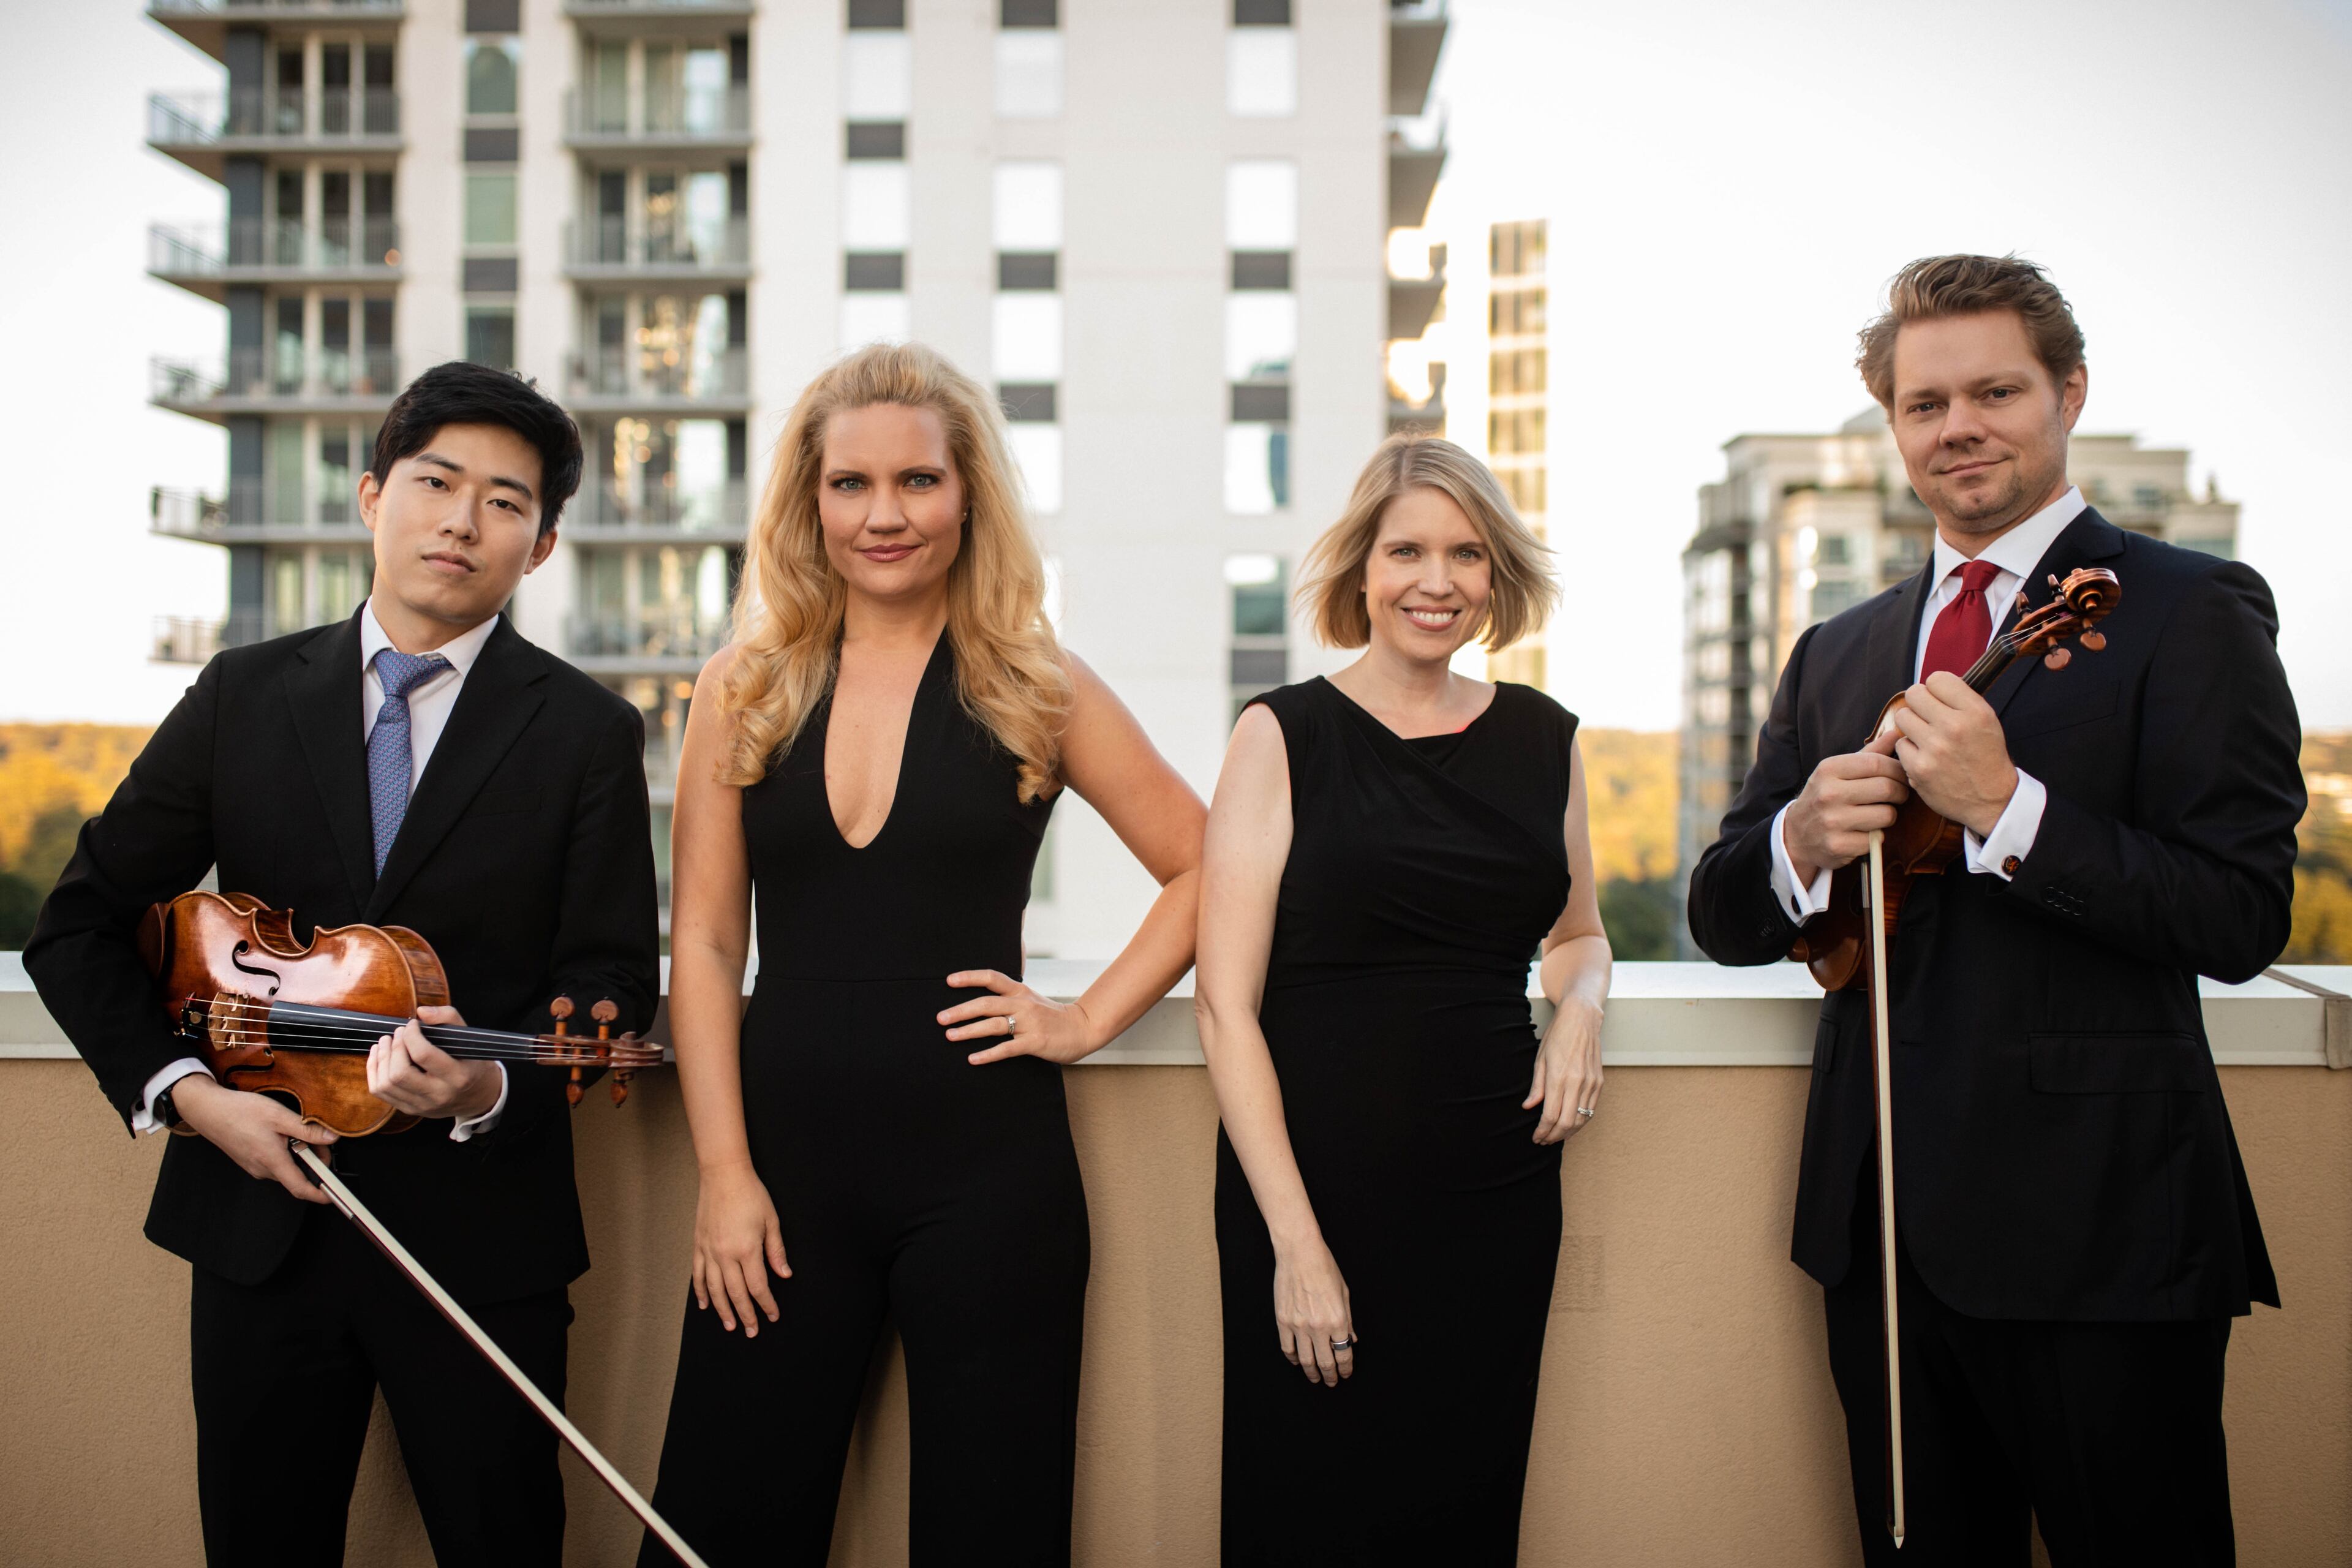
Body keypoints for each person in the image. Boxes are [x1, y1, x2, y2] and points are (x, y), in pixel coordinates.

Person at [1687, 255, 2299, 1566]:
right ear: (1895, 424)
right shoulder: (1839, 648)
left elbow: (2242, 913)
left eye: (1995, 390)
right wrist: (1799, 837)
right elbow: (1727, 910)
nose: (1956, 425)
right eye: (1923, 403)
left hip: (2106, 1226)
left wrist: (2007, 807)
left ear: (2067, 393)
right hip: (1883, 1224)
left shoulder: (2191, 611)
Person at [25, 361, 660, 1566]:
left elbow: (614, 982)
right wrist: (197, 1101)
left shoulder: (586, 731)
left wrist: (484, 1088)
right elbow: (79, 922)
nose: (465, 519)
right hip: (262, 1218)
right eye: (437, 481)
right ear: (374, 495)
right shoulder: (242, 694)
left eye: (509, 501)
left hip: (485, 1240)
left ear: (544, 545)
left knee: (506, 1541)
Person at [636, 342, 1204, 1567]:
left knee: (992, 1534)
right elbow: (703, 936)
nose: (884, 515)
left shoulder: (1035, 682)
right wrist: (725, 1174)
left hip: (989, 1179)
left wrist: (1086, 1016)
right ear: (810, 499)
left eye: (917, 482)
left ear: (968, 496)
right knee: (722, 1525)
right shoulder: (745, 686)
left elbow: (1208, 864)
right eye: (851, 485)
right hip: (776, 1182)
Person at [1194, 434, 1612, 1565]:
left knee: (1462, 1518)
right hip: (1314, 1193)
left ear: (1496, 577)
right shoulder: (1282, 734)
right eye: (1408, 551)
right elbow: (1224, 1008)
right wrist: (1297, 1245)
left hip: (1495, 1196)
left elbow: (1577, 934)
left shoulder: (1544, 739)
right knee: (1306, 1511)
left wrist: (1580, 1009)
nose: (1438, 581)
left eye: (1467, 555)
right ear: (1362, 572)